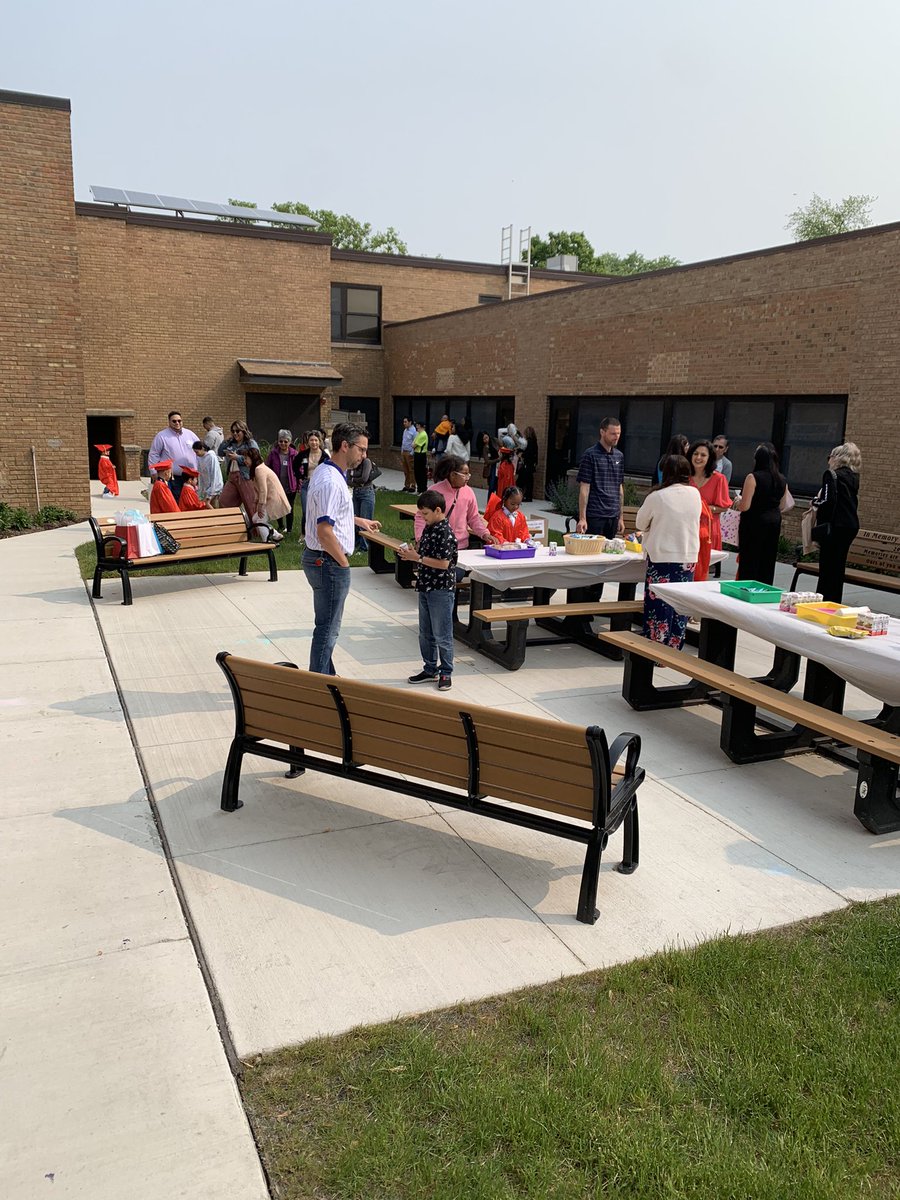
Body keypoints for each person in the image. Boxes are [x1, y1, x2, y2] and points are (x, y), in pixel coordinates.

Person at [300, 423, 381, 678]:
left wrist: (357, 521)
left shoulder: (329, 471)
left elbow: (331, 514)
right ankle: (320, 683)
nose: (364, 456)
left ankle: (327, 674)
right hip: (328, 562)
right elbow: (324, 532)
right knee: (328, 628)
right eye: (362, 449)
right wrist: (343, 564)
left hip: (325, 561)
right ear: (345, 446)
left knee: (327, 625)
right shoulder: (331, 481)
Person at [635, 455, 701, 649]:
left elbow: (640, 523)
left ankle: (656, 647)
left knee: (659, 605)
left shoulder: (658, 496)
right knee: (680, 604)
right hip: (687, 556)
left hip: (662, 556)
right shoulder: (695, 494)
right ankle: (675, 646)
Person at [398, 490, 458, 690]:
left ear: (438, 510)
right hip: (425, 585)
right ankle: (430, 668)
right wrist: (412, 554)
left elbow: (444, 563)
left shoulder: (445, 532)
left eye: (425, 513)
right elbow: (423, 553)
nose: (422, 517)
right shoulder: (429, 527)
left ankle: (446, 671)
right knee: (426, 632)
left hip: (440, 588)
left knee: (442, 633)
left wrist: (418, 559)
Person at [733, 443, 791, 585]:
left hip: (753, 522)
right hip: (773, 522)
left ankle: (745, 589)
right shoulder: (782, 479)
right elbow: (783, 505)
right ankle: (764, 590)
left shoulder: (753, 477)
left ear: (757, 459)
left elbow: (745, 506)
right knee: (767, 560)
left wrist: (737, 501)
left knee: (749, 560)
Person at [810, 442, 861, 602]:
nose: (828, 461)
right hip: (850, 525)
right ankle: (834, 601)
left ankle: (824, 600)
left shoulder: (831, 475)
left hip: (835, 526)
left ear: (837, 458)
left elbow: (827, 500)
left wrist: (815, 502)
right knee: (838, 568)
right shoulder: (854, 477)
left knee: (827, 568)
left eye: (829, 457)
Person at [412, 456, 500, 550]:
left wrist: (484, 533)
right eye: (464, 474)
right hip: (437, 545)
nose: (467, 477)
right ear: (453, 475)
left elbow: (473, 517)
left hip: (461, 546)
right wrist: (420, 539)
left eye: (468, 474)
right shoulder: (434, 491)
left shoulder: (468, 492)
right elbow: (421, 517)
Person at [576, 416, 625, 537]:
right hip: (595, 515)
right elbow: (584, 488)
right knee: (592, 552)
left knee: (609, 553)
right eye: (613, 433)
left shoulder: (619, 456)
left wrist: (621, 517)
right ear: (602, 432)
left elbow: (619, 488)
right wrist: (582, 518)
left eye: (618, 433)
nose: (616, 437)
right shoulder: (590, 455)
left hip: (613, 515)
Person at [688, 438, 732, 559]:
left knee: (702, 570)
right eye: (695, 454)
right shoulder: (684, 477)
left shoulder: (719, 479)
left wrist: (702, 508)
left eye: (703, 455)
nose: (698, 458)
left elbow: (723, 507)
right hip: (686, 527)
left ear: (709, 458)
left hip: (708, 529)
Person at [148, 411, 199, 502]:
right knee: (177, 501)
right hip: (174, 478)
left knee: (191, 502)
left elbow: (200, 450)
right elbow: (154, 454)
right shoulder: (162, 436)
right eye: (174, 421)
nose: (177, 423)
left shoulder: (190, 434)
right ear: (169, 422)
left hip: (190, 477)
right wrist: (153, 473)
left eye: (179, 421)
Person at [243, 447, 289, 542]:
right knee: (255, 518)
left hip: (273, 499)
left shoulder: (259, 469)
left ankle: (266, 541)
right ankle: (275, 534)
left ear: (252, 458)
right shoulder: (258, 469)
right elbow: (258, 490)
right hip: (270, 498)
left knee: (260, 520)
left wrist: (261, 505)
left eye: (246, 458)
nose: (245, 461)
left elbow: (263, 490)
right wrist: (256, 501)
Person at [218, 420, 260, 513]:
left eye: (237, 431)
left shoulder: (250, 443)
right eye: (233, 431)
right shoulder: (231, 443)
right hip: (232, 476)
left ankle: (257, 527)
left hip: (245, 476)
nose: (235, 433)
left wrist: (237, 457)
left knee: (250, 505)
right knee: (224, 501)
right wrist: (227, 440)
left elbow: (255, 458)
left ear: (244, 431)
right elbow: (220, 452)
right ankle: (233, 523)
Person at [266, 430, 301, 534]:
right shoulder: (273, 453)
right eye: (281, 441)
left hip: (290, 485)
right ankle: (281, 526)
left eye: (285, 441)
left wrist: (299, 484)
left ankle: (289, 530)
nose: (283, 444)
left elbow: (299, 470)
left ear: (289, 442)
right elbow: (267, 466)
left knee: (289, 507)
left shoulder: (294, 454)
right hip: (277, 485)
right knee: (278, 506)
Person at [297, 429, 328, 533]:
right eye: (311, 440)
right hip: (307, 484)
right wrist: (299, 476)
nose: (314, 442)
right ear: (308, 442)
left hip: (319, 486)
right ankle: (304, 533)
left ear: (319, 441)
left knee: (319, 510)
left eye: (316, 440)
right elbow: (294, 464)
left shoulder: (325, 456)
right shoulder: (303, 454)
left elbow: (328, 471)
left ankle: (317, 532)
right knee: (306, 511)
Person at [347, 453, 378, 552]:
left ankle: (365, 547)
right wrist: (357, 480)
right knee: (355, 519)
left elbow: (364, 478)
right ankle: (355, 544)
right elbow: (348, 480)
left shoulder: (366, 462)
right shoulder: (352, 463)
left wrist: (353, 478)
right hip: (356, 492)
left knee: (365, 520)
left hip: (366, 493)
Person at [192, 440, 223, 508]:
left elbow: (214, 474)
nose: (196, 454)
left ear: (203, 449)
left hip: (215, 487)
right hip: (207, 487)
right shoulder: (199, 458)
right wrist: (201, 490)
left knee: (210, 504)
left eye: (197, 452)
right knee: (205, 505)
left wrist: (211, 491)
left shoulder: (211, 457)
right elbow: (200, 475)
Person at [518, 427, 539, 501]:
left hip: (527, 464)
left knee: (522, 480)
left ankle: (524, 496)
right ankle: (528, 496)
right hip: (531, 464)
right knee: (529, 481)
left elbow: (528, 453)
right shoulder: (534, 442)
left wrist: (522, 455)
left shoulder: (529, 442)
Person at [399, 416, 417, 493]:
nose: (404, 423)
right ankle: (407, 485)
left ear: (410, 422)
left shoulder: (414, 431)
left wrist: (411, 453)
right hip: (404, 452)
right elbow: (404, 441)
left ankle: (413, 485)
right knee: (405, 470)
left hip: (410, 452)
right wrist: (402, 451)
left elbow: (415, 442)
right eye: (404, 422)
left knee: (411, 470)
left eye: (406, 422)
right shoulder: (405, 431)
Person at [412, 421, 429, 492]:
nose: (416, 427)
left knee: (421, 472)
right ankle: (419, 488)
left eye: (417, 425)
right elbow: (413, 443)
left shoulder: (423, 434)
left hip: (421, 455)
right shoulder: (419, 434)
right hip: (417, 454)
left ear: (420, 425)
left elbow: (414, 445)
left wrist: (414, 444)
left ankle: (422, 489)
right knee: (417, 472)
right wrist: (414, 444)